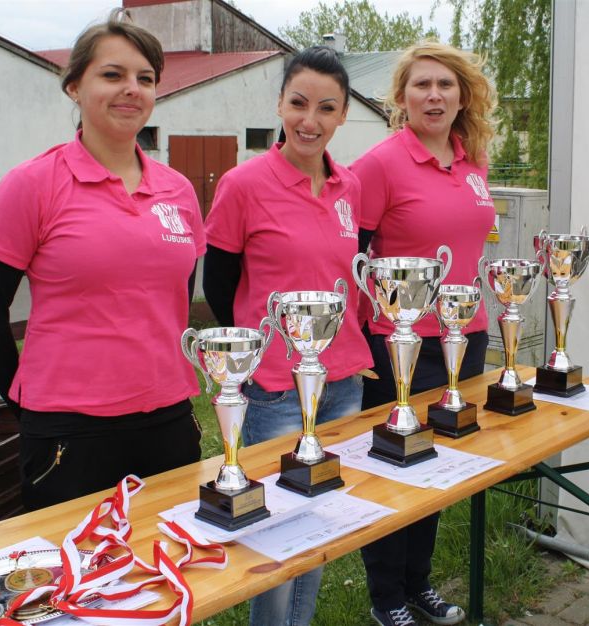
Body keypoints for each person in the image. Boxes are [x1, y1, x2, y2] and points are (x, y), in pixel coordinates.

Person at [0, 10, 204, 512]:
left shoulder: (178, 190)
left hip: (168, 418)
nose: (131, 89)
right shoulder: (32, 185)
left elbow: (175, 301)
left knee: (172, 554)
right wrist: (26, 404)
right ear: (74, 86)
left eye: (145, 79)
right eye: (112, 74)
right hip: (70, 431)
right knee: (78, 564)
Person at [202, 46, 372, 626]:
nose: (310, 120)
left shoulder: (350, 186)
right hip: (274, 387)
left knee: (317, 520)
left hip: (341, 381)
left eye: (326, 108)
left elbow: (349, 273)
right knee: (272, 531)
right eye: (298, 103)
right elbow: (219, 285)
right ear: (279, 104)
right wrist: (260, 351)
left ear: (343, 114)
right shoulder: (243, 184)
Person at [351, 41, 497, 626]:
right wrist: (355, 340)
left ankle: (418, 583)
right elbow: (352, 258)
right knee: (393, 467)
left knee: (436, 465)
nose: (433, 96)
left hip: (468, 336)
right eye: (421, 85)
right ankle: (386, 596)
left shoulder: (473, 160)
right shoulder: (379, 165)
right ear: (402, 97)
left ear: (462, 95)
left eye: (445, 85)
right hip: (399, 343)